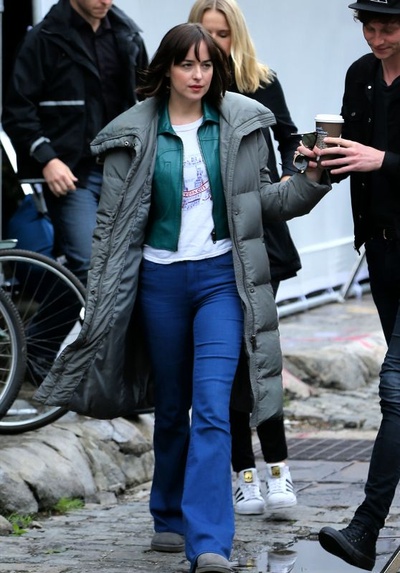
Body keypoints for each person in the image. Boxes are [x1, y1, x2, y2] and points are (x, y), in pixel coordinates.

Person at [35, 22, 330, 573]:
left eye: (207, 65)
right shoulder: (133, 133)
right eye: (187, 64)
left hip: (221, 279)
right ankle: (167, 513)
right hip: (159, 282)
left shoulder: (241, 123)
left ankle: (210, 541)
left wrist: (313, 179)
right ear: (166, 70)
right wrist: (101, 295)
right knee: (172, 408)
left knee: (213, 407)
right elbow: (111, 225)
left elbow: (266, 202)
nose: (198, 75)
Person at [188, 0, 300, 516]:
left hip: (258, 235)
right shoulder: (188, 89)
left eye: (222, 33)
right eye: (205, 32)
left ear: (236, 35)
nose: (213, 43)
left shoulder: (260, 80)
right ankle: (244, 475)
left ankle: (278, 469)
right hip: (208, 240)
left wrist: (291, 174)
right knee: (227, 363)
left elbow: (289, 135)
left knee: (261, 356)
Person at [316, 1, 400, 571]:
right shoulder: (360, 74)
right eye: (368, 28)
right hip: (383, 249)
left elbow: (375, 160)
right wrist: (322, 160)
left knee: (396, 386)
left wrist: (384, 160)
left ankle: (366, 528)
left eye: (388, 28)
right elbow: (353, 160)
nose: (376, 38)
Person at [2, 0, 148, 287]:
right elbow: (17, 112)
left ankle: (54, 321)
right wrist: (47, 159)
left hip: (125, 171)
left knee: (135, 264)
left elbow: (151, 101)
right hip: (73, 176)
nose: (105, 1)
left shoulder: (127, 35)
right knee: (90, 265)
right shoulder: (43, 38)